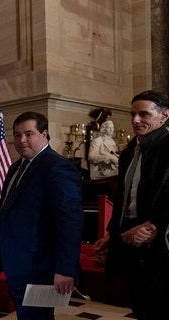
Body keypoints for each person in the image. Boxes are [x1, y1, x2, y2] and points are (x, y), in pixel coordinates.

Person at [0, 111, 84, 320]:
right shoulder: (17, 166)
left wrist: (65, 268)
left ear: (44, 134)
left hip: (40, 267)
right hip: (18, 264)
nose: (22, 140)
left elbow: (70, 222)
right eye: (17, 135)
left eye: (29, 134)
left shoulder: (58, 167)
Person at [94, 90, 169, 320]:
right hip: (128, 235)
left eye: (144, 114)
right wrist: (111, 234)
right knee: (139, 304)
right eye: (133, 114)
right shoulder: (128, 152)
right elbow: (124, 198)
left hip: (160, 241)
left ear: (164, 116)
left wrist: (153, 226)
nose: (136, 120)